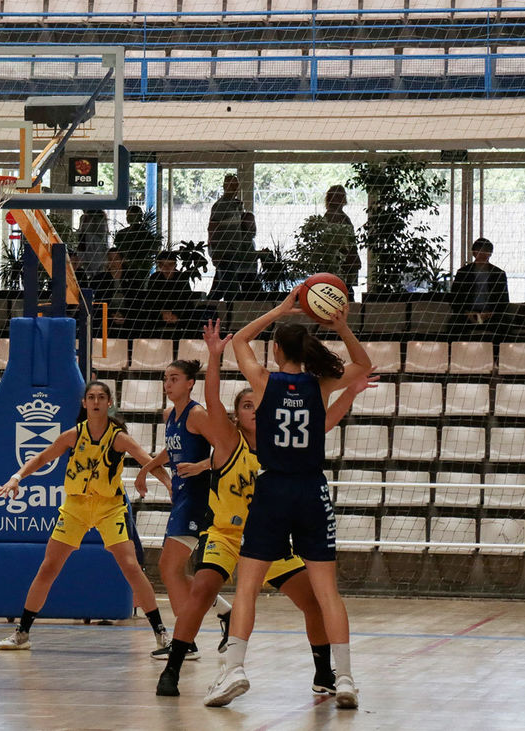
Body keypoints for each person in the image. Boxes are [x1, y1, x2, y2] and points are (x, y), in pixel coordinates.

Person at [156, 319, 376, 697]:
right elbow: (215, 401)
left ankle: (306, 672)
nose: (253, 410)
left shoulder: (270, 395)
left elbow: (321, 421)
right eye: (246, 406)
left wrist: (282, 310)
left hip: (272, 511)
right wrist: (340, 327)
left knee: (295, 597)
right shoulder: (233, 437)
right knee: (209, 588)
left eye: (254, 405)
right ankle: (174, 667)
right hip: (245, 525)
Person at [0, 381, 175, 653]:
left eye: (101, 397)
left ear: (109, 403)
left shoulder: (118, 437)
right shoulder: (73, 435)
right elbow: (43, 457)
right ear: (84, 403)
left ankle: (161, 634)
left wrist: (170, 484)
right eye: (91, 397)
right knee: (48, 567)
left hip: (109, 507)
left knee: (131, 567)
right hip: (76, 506)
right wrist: (16, 477)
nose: (96, 401)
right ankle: (22, 633)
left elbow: (147, 460)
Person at [135, 359, 228, 662]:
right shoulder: (170, 415)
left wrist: (201, 466)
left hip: (199, 498)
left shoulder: (197, 414)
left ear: (190, 383)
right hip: (183, 498)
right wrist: (147, 467)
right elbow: (172, 449)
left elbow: (227, 448)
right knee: (172, 570)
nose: (168, 384)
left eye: (174, 378)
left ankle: (184, 643)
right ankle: (224, 612)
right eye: (165, 379)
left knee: (169, 568)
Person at [451, 237, 510, 341]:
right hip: (468, 314)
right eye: (479, 250)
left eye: (486, 250)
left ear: (490, 253)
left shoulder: (498, 274)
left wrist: (491, 313)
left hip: (491, 315)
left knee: (505, 325)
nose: (482, 253)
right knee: (453, 324)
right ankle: (457, 351)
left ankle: (497, 351)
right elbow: (455, 298)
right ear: (474, 252)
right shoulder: (463, 273)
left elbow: (504, 300)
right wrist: (467, 313)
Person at [207, 173, 253, 301]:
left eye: (235, 185)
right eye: (230, 185)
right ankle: (228, 309)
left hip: (234, 252)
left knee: (219, 288)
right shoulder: (220, 206)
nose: (234, 188)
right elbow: (212, 228)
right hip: (224, 252)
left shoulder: (236, 205)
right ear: (224, 186)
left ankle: (208, 306)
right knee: (230, 289)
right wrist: (214, 251)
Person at [142, 250, 200, 337]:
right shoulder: (155, 278)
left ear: (175, 265)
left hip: (178, 315)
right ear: (159, 266)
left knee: (192, 318)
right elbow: (150, 300)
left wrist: (176, 315)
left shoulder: (181, 278)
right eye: (163, 265)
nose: (167, 268)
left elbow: (187, 301)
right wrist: (162, 312)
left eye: (170, 264)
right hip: (159, 315)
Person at [87, 247, 139, 338]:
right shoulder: (99, 279)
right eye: (110, 259)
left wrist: (124, 315)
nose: (113, 262)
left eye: (116, 259)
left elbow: (136, 301)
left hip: (128, 316)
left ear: (122, 260)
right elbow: (97, 303)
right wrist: (111, 314)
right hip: (106, 317)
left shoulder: (132, 278)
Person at [323, 185, 360, 295]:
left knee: (345, 290)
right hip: (341, 262)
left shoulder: (337, 215)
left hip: (345, 261)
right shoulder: (335, 216)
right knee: (345, 291)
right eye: (340, 196)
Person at [113, 205, 158, 284]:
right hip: (125, 268)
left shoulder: (145, 235)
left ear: (139, 217)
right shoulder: (122, 233)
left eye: (131, 215)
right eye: (127, 215)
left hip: (140, 269)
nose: (128, 218)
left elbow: (149, 252)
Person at [74, 208, 109, 288]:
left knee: (96, 275)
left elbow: (102, 235)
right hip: (86, 248)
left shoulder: (99, 217)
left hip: (95, 248)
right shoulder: (84, 218)